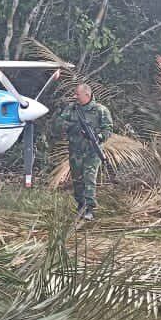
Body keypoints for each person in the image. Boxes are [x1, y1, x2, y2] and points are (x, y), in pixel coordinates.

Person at [57, 83, 113, 220]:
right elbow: (59, 124)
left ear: (87, 95)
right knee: (77, 180)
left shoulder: (100, 110)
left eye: (78, 94)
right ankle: (81, 205)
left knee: (89, 179)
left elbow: (108, 129)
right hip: (75, 151)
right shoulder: (72, 109)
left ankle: (89, 208)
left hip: (92, 151)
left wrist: (98, 137)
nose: (75, 96)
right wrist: (73, 127)